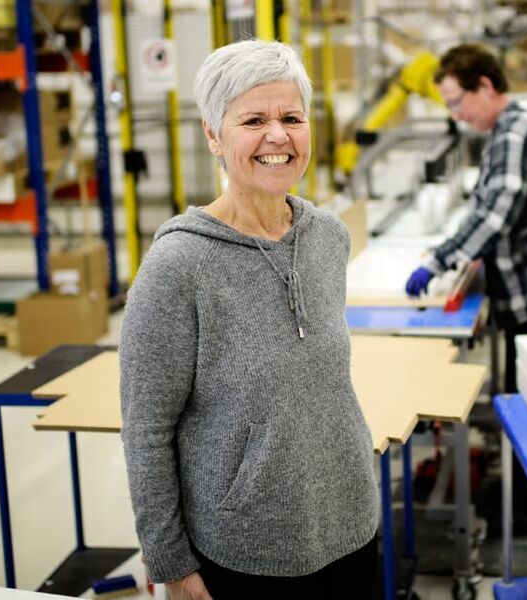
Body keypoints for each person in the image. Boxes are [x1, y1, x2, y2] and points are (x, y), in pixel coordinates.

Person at [120, 40, 379, 600]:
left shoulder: (327, 238)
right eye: (253, 120)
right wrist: (172, 564)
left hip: (352, 529)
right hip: (243, 554)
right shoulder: (177, 267)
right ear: (214, 135)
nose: (278, 135)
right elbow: (146, 431)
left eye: (291, 117)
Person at [405, 43, 527, 393]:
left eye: (457, 102)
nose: (457, 115)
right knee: (522, 394)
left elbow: (494, 215)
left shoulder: (514, 135)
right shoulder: (504, 133)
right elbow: (485, 205)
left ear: (486, 86)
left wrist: (440, 260)